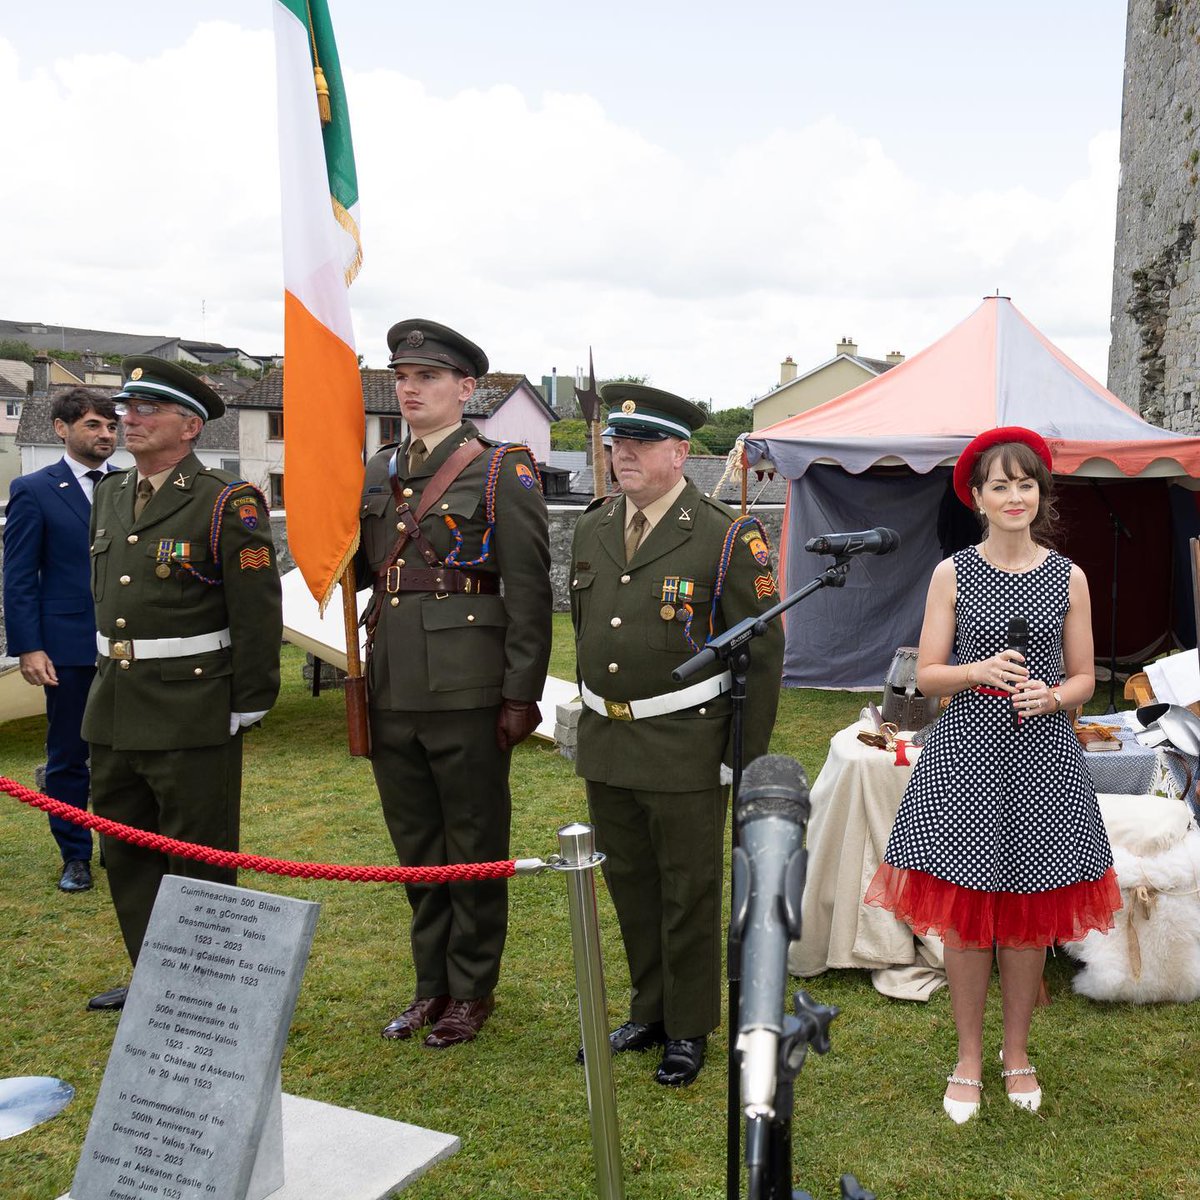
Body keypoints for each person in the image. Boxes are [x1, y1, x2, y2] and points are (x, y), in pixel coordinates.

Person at [865, 425, 1121, 1123]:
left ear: (1041, 495)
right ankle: (969, 1056)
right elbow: (927, 674)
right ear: (977, 497)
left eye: (1026, 483)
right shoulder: (953, 572)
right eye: (1000, 485)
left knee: (1029, 917)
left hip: (1043, 761)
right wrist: (977, 672)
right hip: (968, 757)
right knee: (969, 918)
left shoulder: (1070, 577)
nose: (1015, 496)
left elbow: (1084, 678)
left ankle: (1016, 1052)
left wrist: (1054, 696)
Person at [570, 384, 784, 1086]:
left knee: (687, 890)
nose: (621, 453)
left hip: (688, 743)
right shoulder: (597, 525)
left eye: (640, 443)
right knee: (630, 883)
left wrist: (740, 756)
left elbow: (762, 647)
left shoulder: (724, 534)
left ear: (679, 452)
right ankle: (650, 1009)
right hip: (611, 738)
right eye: (615, 444)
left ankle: (688, 1028)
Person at [360, 319, 552, 1049]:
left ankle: (472, 989)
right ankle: (428, 986)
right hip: (390, 685)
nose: (410, 389)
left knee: (472, 842)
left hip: (469, 689)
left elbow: (530, 591)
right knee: (416, 847)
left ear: (466, 389)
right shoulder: (378, 470)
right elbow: (364, 568)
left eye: (428, 378)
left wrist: (518, 694)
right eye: (402, 378)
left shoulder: (504, 469)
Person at [83, 357, 283, 1011]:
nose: (128, 420)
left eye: (146, 410)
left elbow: (257, 609)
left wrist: (249, 699)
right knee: (125, 847)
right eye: (126, 409)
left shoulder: (227, 502)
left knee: (197, 854)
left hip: (192, 706)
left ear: (189, 426)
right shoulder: (112, 493)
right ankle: (154, 975)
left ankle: (205, 986)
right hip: (115, 704)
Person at [3, 388, 118, 892]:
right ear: (61, 429)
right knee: (69, 754)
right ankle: (75, 855)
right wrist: (29, 647)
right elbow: (19, 576)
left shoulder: (132, 485)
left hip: (127, 644)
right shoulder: (34, 488)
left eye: (112, 426)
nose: (107, 435)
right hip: (66, 645)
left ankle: (123, 844)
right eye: (94, 425)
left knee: (124, 754)